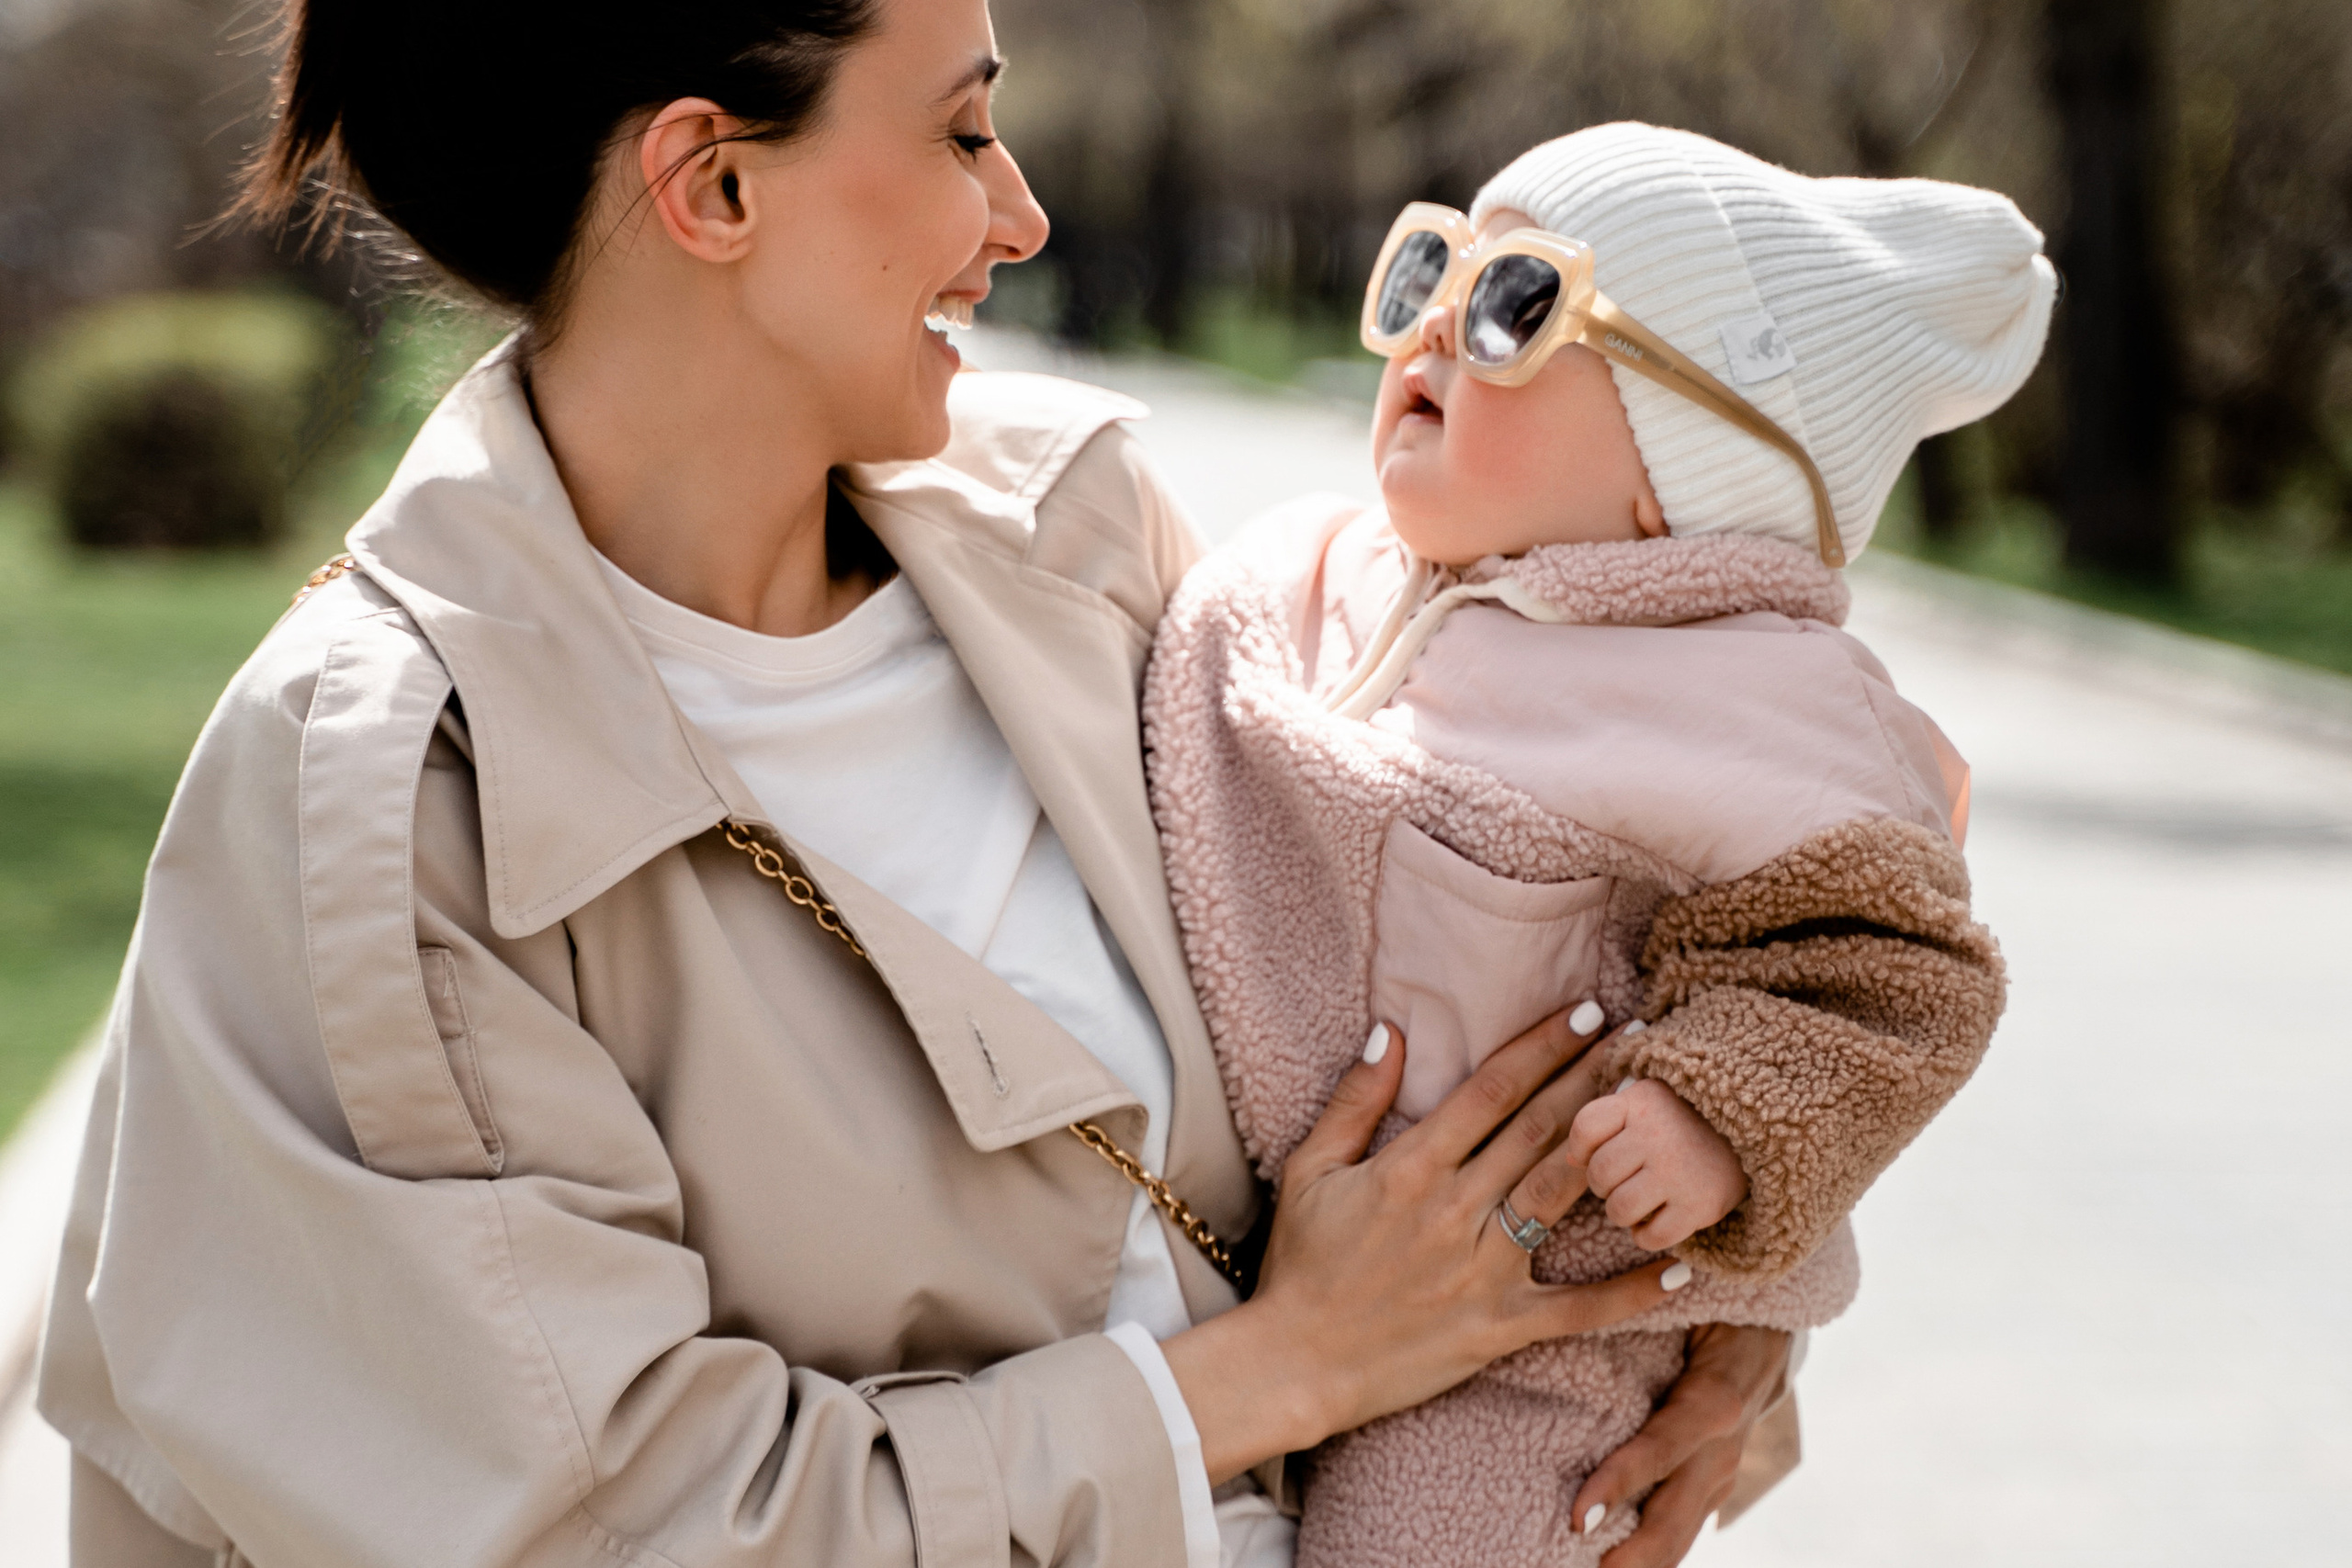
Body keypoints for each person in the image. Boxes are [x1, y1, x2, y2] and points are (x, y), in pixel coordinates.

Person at [36, 7, 1794, 1564]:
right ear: (712, 186)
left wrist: (1729, 1328)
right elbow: (603, 1524)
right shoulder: (383, 797)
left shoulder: (1088, 548)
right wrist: (1272, 1375)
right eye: (961, 131)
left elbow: (1518, 953)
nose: (1020, 214)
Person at [1145, 122, 2051, 1566]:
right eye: (1431, 265)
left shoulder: (1760, 703)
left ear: (1681, 474)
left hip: (1526, 1331)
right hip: (1249, 1230)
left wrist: (1716, 1116)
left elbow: (1897, 979)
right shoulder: (1315, 569)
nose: (1438, 321)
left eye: (1515, 306)